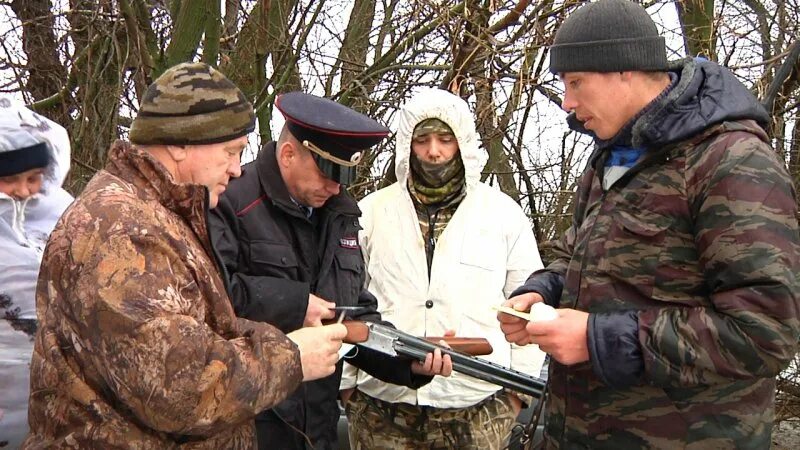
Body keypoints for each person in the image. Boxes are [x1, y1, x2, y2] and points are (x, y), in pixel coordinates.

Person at [497, 1, 800, 448]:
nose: (567, 101)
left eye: (575, 82)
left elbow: (764, 331)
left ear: (625, 70)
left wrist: (597, 339)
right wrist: (542, 292)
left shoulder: (730, 161)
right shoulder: (610, 160)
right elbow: (575, 255)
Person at [22, 62, 347, 449]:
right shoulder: (120, 230)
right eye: (230, 152)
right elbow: (177, 386)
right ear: (178, 143)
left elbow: (200, 329)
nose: (236, 170)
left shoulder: (157, 215)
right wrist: (290, 358)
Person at [209, 91, 452, 450]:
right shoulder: (228, 200)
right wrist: (295, 304)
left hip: (317, 428)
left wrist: (411, 362)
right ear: (288, 154)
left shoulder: (341, 215)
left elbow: (355, 315)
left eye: (344, 174)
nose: (337, 186)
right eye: (328, 172)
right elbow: (210, 299)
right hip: (248, 427)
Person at [339, 88, 547, 449]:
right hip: (381, 406)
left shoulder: (502, 215)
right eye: (422, 140)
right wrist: (347, 390)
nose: (433, 151)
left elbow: (530, 309)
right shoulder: (370, 213)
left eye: (444, 139)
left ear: (462, 142)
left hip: (477, 404)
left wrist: (516, 396)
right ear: (407, 144)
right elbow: (343, 301)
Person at [0, 98, 74, 448]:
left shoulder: (65, 213)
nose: (23, 190)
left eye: (33, 178)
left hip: (58, 404)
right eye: (9, 179)